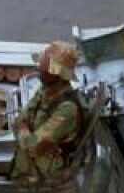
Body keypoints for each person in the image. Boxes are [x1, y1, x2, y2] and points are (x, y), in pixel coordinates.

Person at [10, 41, 85, 185]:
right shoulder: (45, 90)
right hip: (25, 166)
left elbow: (32, 146)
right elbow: (19, 120)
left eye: (43, 67)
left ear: (56, 73)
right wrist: (24, 130)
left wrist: (23, 129)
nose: (39, 69)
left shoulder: (67, 108)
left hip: (42, 177)